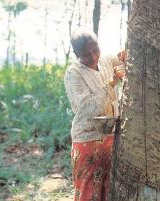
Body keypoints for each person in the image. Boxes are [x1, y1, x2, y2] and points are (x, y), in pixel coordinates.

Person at [63, 30, 126, 201]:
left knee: (108, 192)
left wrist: (125, 55)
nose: (93, 56)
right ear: (76, 54)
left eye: (95, 50)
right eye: (86, 54)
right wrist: (111, 83)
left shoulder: (106, 60)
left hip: (111, 139)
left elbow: (124, 60)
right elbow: (85, 108)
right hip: (87, 142)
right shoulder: (73, 73)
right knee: (88, 193)